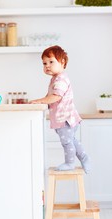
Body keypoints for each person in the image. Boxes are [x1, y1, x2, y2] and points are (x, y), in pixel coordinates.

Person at [30, 45, 90, 173]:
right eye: (44, 63)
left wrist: (40, 101)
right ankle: (84, 157)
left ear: (62, 62)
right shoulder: (55, 79)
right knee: (71, 141)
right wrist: (41, 101)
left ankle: (70, 163)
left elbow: (56, 96)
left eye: (51, 62)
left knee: (67, 143)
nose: (47, 65)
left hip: (65, 119)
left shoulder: (61, 78)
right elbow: (49, 97)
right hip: (64, 118)